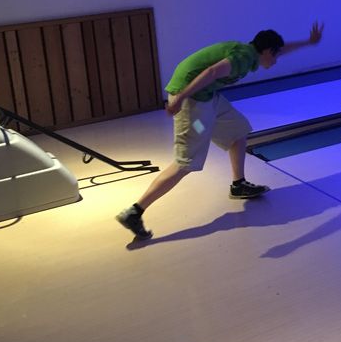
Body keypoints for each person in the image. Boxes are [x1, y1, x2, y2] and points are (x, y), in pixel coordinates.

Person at [116, 21, 324, 239]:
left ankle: (238, 185)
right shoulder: (242, 58)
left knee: (238, 130)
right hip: (191, 103)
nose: (277, 59)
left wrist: (308, 42)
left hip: (207, 98)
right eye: (276, 55)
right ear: (267, 51)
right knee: (186, 161)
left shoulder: (250, 51)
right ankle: (135, 211)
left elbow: (280, 49)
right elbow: (212, 71)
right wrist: (181, 98)